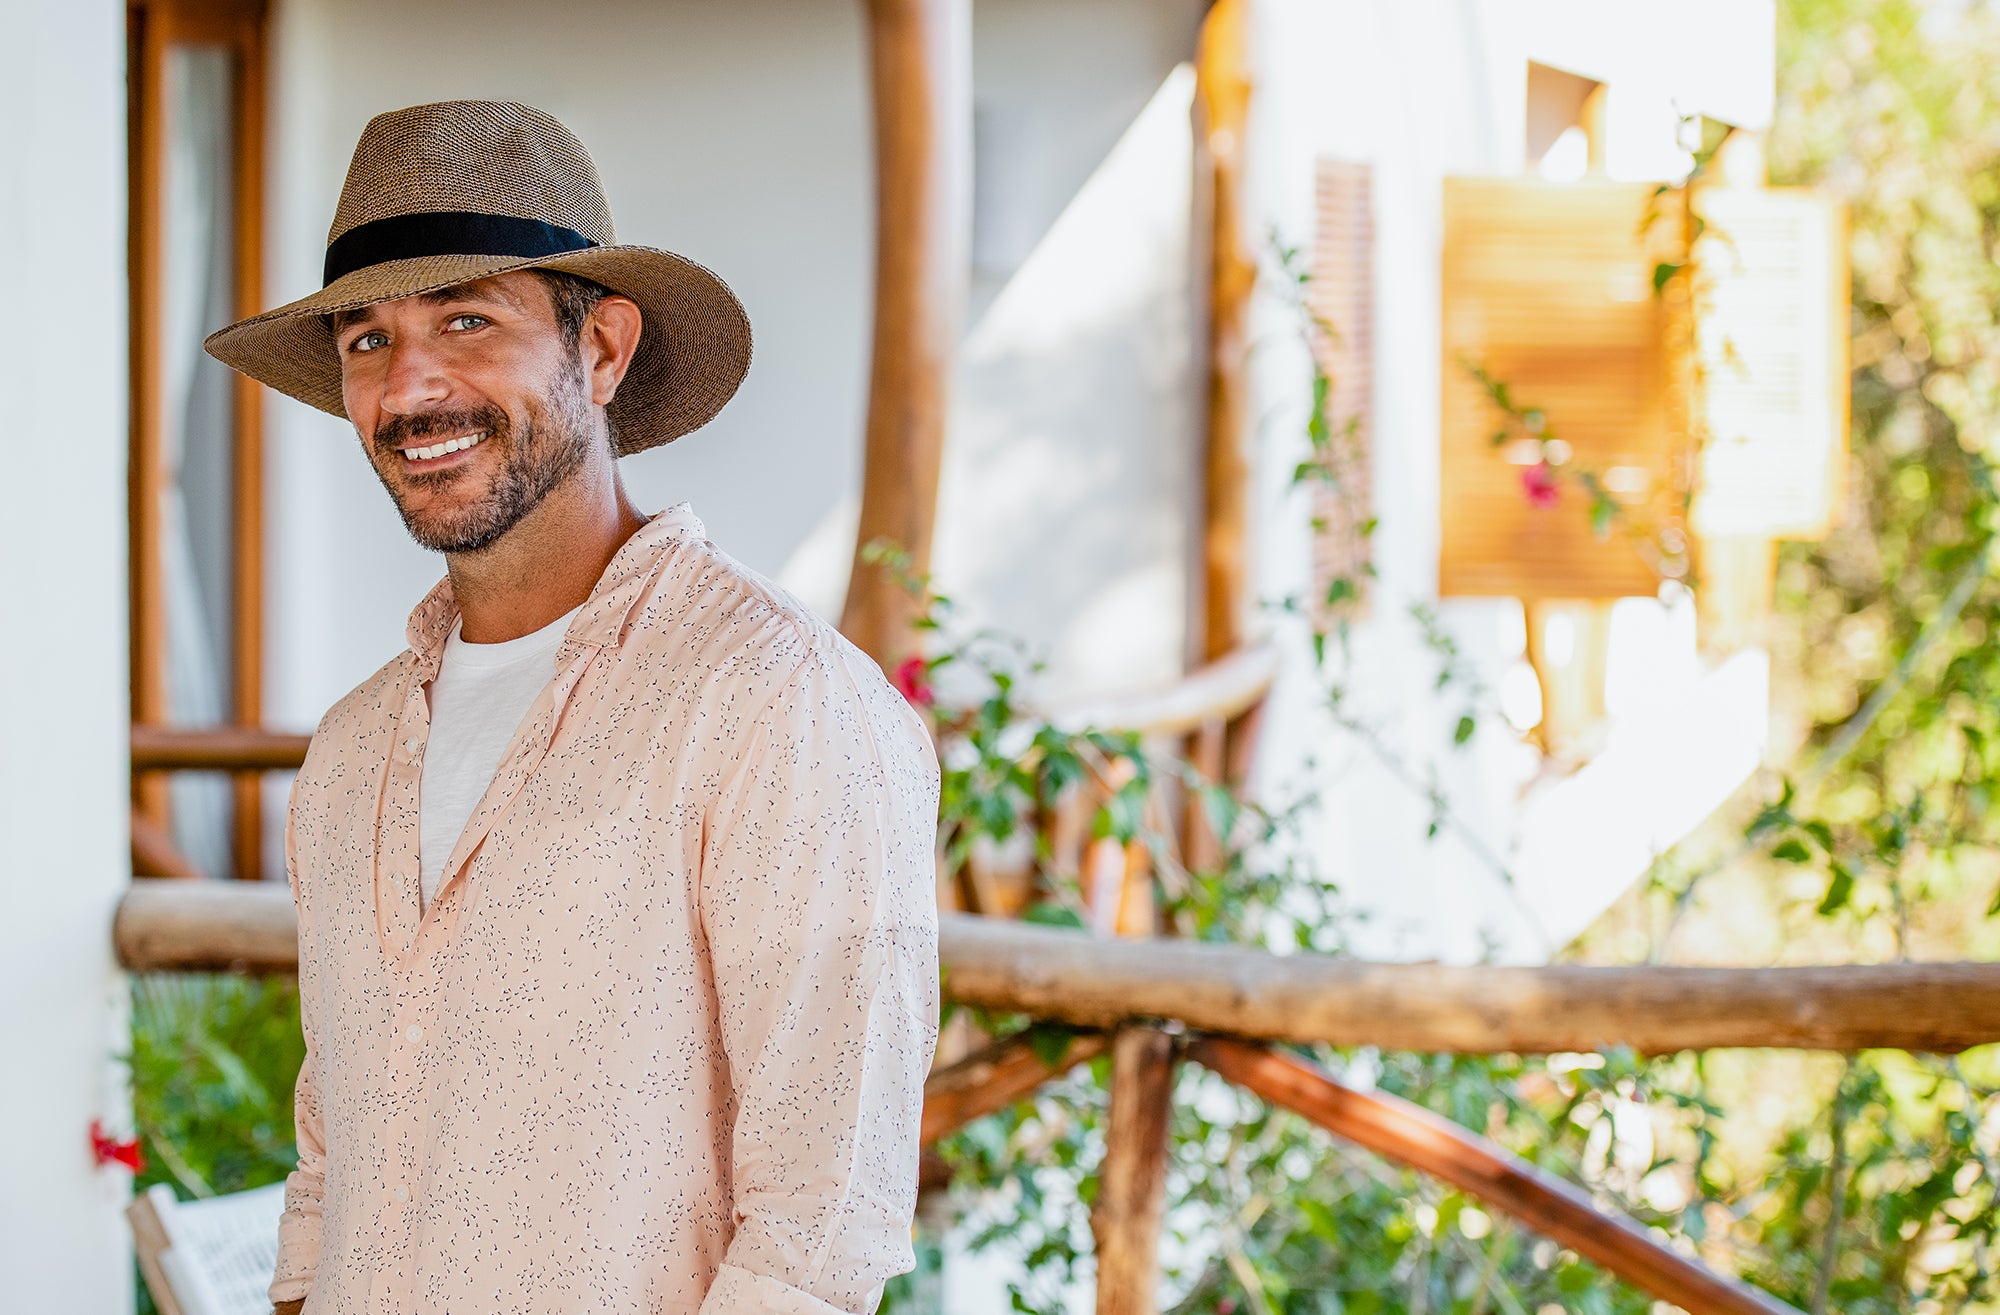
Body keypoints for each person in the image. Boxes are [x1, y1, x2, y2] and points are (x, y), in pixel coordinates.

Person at [204, 100, 941, 1315]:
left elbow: (821, 1227)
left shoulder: (774, 702)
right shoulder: (349, 753)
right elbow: (333, 1170)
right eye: (367, 341)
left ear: (600, 351)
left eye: (466, 320)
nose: (410, 386)